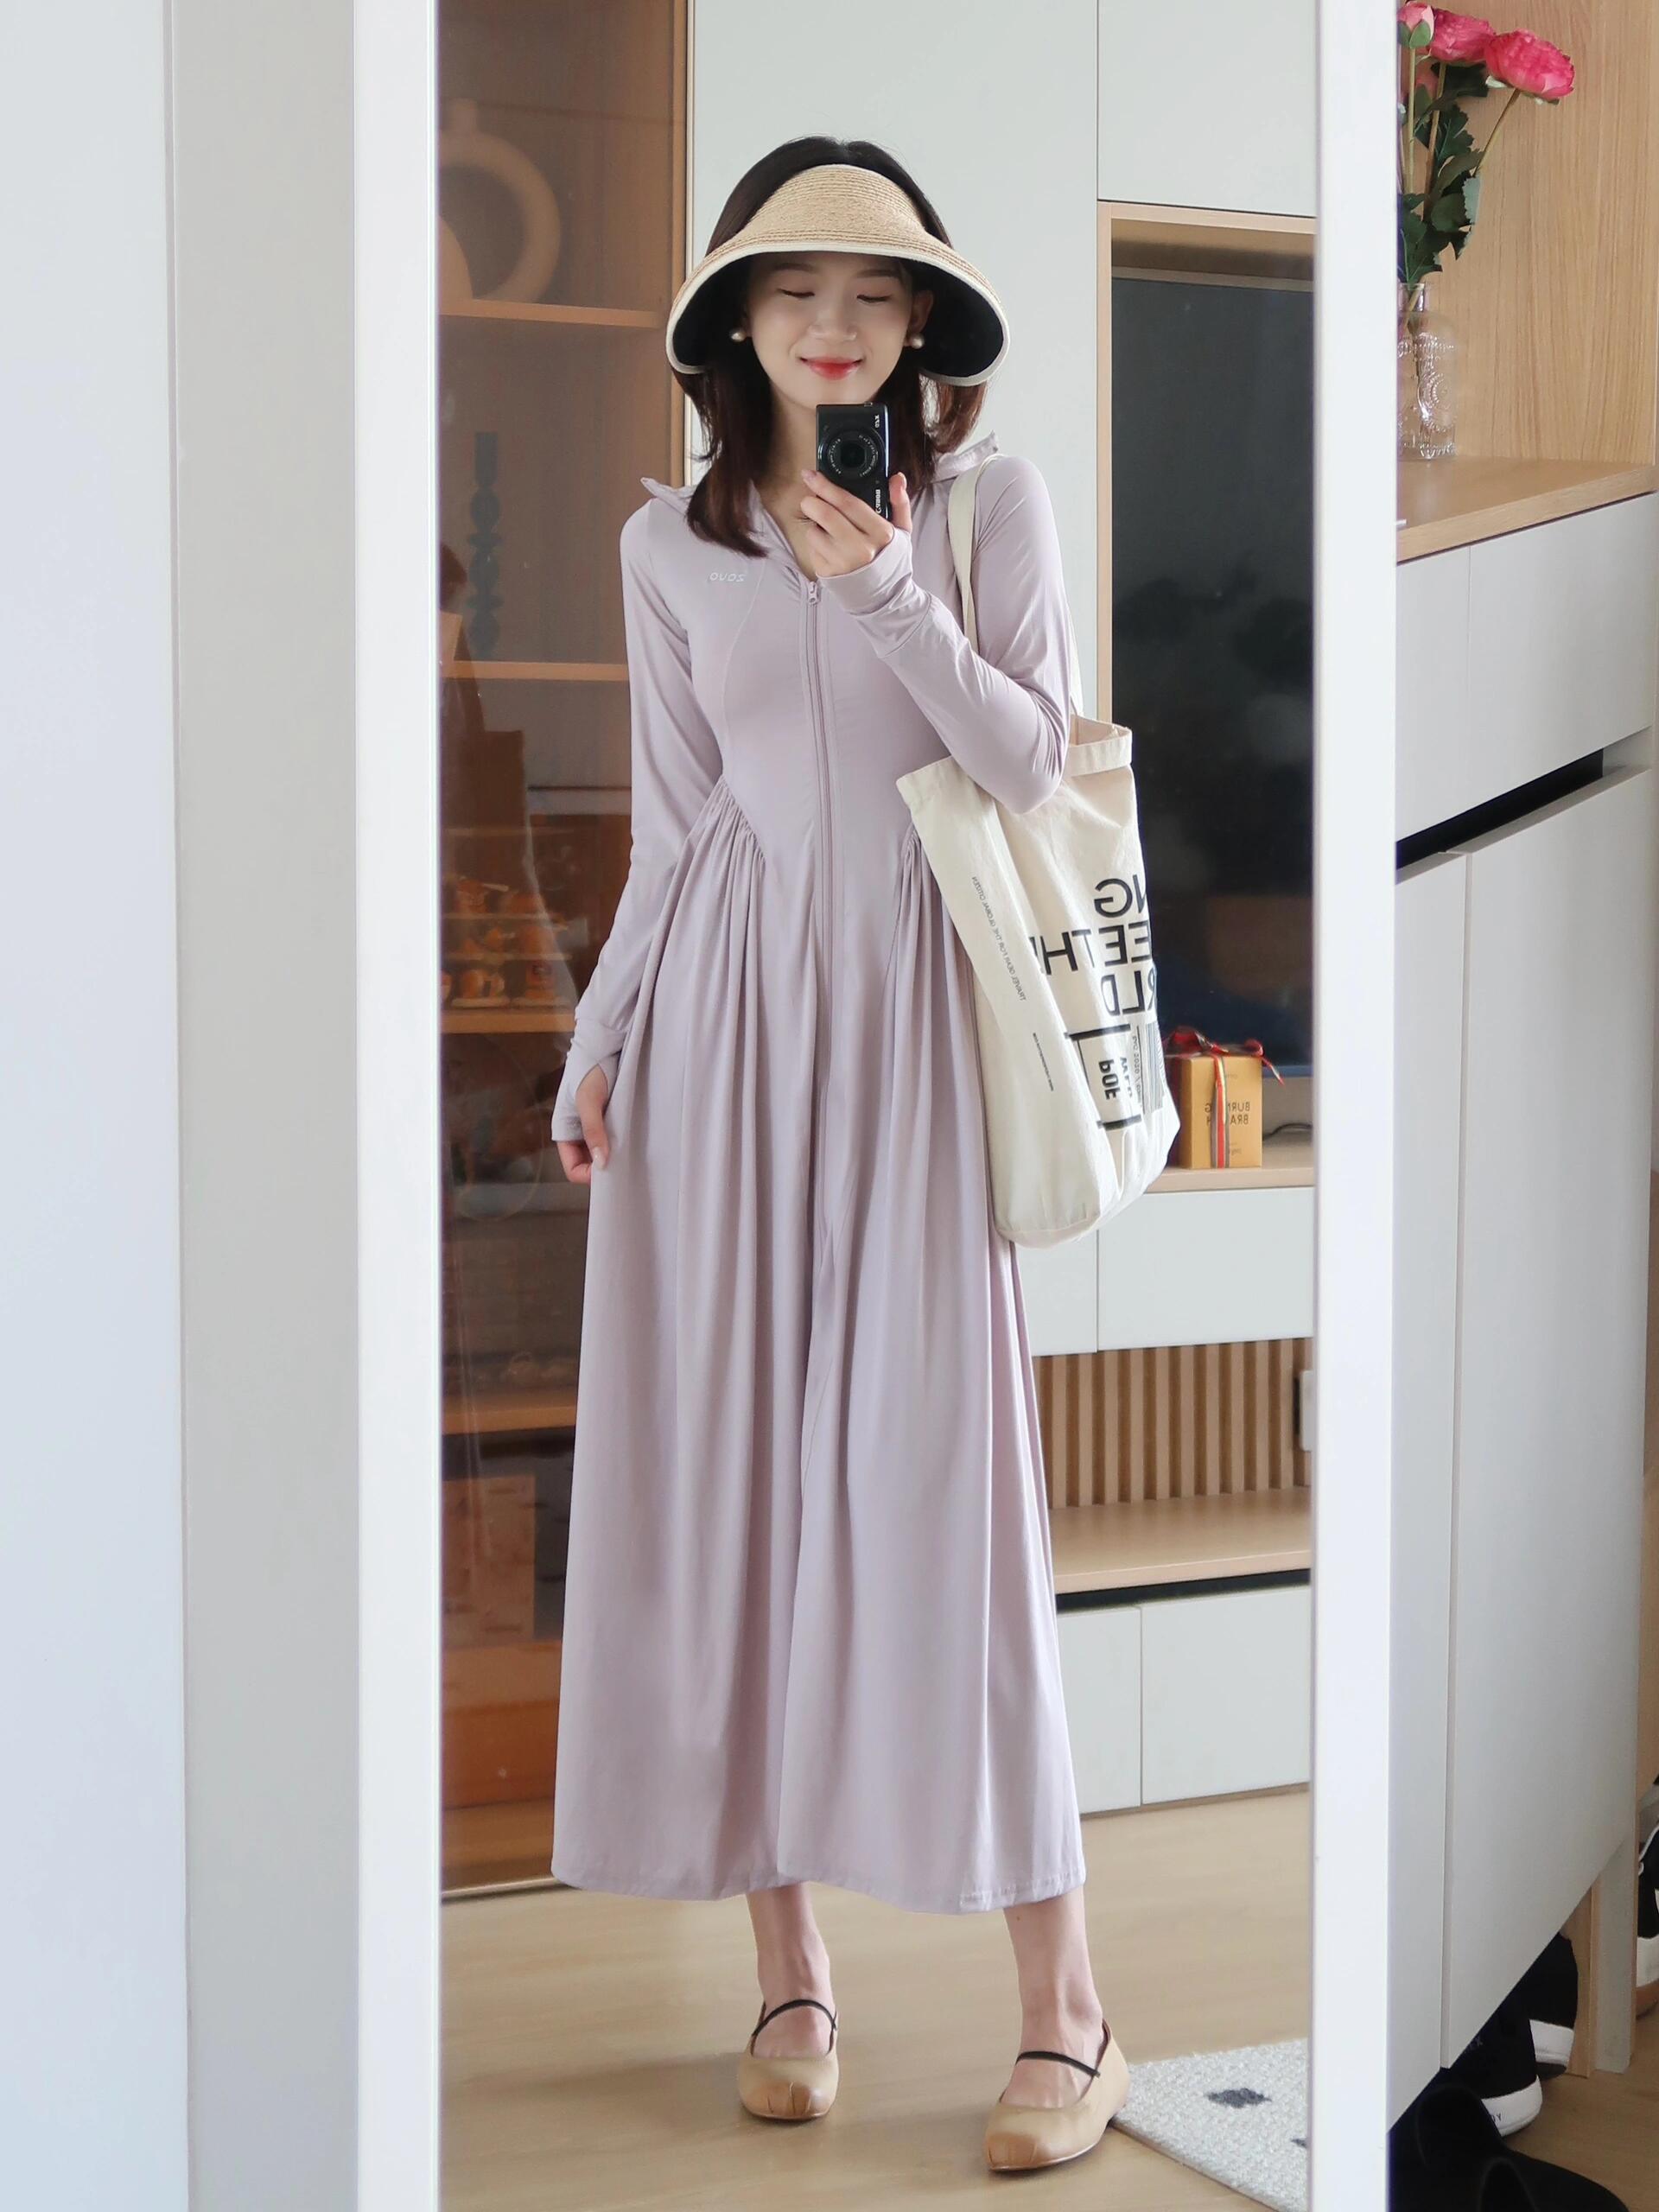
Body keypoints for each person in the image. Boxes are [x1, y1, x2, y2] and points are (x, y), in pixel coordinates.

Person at [548, 136, 1128, 2172]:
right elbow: (675, 825)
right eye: (797, 290)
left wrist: (884, 589)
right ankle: (789, 1974)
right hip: (719, 1028)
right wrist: (598, 1037)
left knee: (947, 1488)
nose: (835, 324)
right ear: (736, 323)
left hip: (915, 1024)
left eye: (876, 295)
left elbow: (1039, 757)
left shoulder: (984, 506)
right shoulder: (668, 545)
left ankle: (1069, 2007)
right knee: (733, 1480)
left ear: (919, 328)